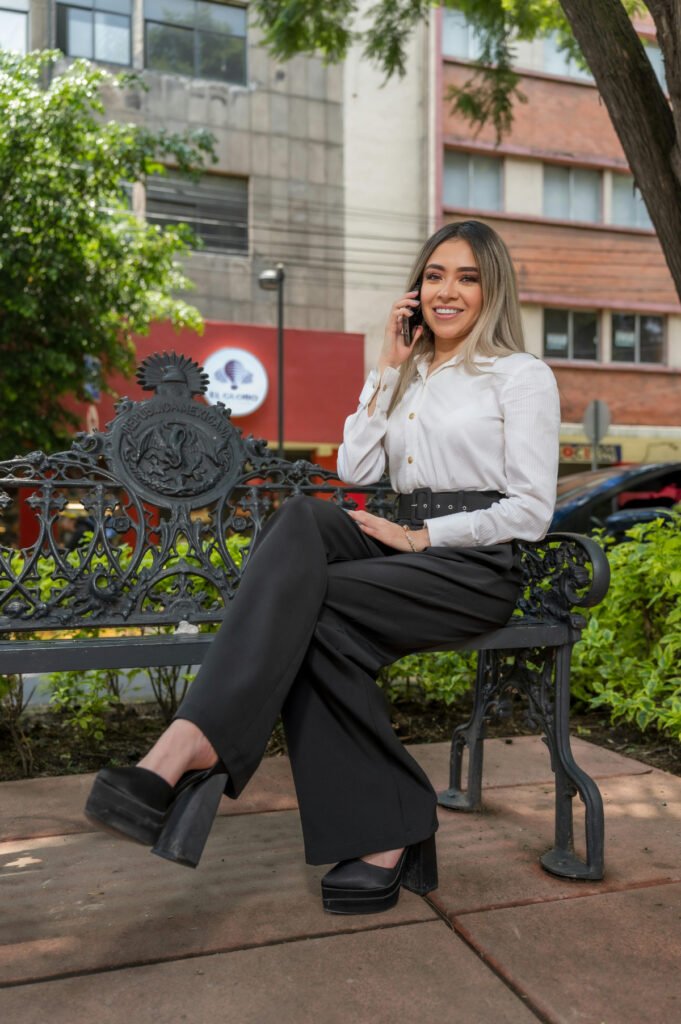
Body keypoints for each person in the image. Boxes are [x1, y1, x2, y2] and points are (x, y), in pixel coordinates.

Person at [85, 220, 560, 916]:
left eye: (466, 277)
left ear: (492, 289)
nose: (446, 291)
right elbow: (355, 469)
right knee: (307, 520)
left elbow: (530, 510)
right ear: (415, 288)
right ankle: (363, 816)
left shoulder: (519, 377)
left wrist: (423, 536)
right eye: (433, 275)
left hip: (471, 562)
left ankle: (194, 747)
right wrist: (387, 371)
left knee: (304, 611)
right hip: (397, 531)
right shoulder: (410, 375)